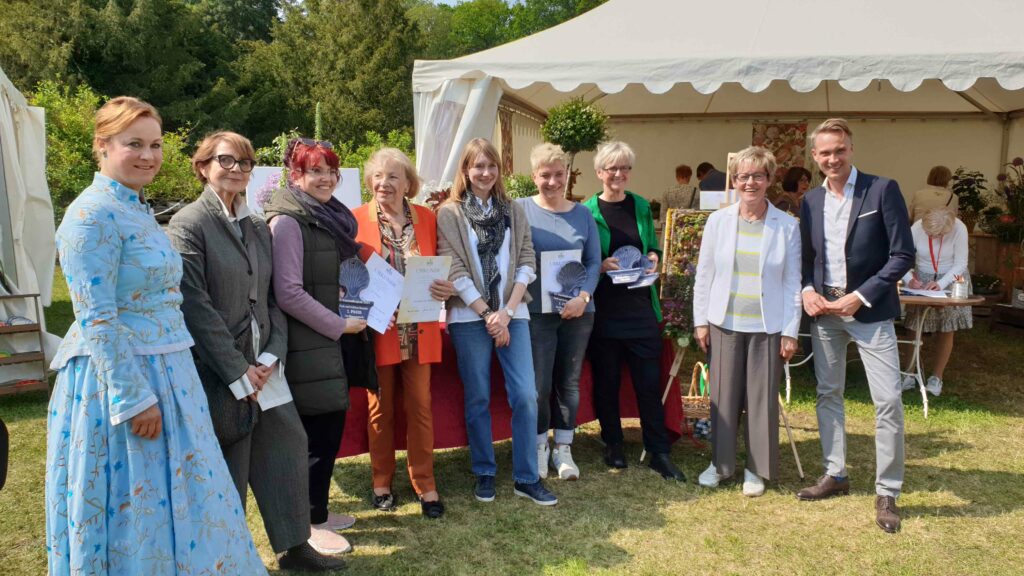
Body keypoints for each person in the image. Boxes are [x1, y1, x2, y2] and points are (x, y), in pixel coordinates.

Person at [46, 97, 266, 574]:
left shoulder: (136, 209)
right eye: (134, 144)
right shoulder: (90, 216)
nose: (148, 155)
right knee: (137, 508)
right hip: (124, 383)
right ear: (101, 147)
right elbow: (97, 317)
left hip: (170, 372)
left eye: (156, 144)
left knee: (187, 497)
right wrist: (131, 398)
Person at [167, 131, 344, 571]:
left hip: (264, 364)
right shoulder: (189, 223)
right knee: (232, 462)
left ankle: (295, 545)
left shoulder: (255, 224)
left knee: (288, 444)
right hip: (219, 369)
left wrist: (268, 358)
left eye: (246, 163)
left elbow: (271, 300)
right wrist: (236, 370)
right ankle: (227, 556)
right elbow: (195, 305)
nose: (238, 170)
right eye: (227, 160)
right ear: (203, 165)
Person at [797, 118, 915, 533]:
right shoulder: (810, 200)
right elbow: (807, 257)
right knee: (828, 393)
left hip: (869, 311)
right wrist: (807, 290)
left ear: (851, 149)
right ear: (814, 157)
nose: (833, 158)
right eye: (825, 152)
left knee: (887, 402)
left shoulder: (882, 190)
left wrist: (861, 295)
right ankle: (836, 473)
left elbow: (902, 255)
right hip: (824, 312)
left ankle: (888, 492)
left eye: (839, 150)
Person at [436, 137, 558, 506]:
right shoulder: (449, 213)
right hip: (468, 316)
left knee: (526, 394)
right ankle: (485, 471)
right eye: (478, 166)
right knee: (478, 397)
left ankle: (526, 476)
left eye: (491, 165)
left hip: (514, 313)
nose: (485, 172)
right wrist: (487, 314)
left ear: (498, 170)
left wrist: (506, 312)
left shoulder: (513, 210)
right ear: (466, 171)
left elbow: (525, 259)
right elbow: (454, 268)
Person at [264, 138, 369, 555]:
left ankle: (319, 513)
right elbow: (288, 292)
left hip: (329, 342)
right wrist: (339, 324)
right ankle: (308, 524)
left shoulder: (328, 216)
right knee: (313, 437)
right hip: (310, 344)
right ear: (296, 175)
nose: (325, 178)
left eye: (330, 171)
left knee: (329, 431)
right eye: (315, 171)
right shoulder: (289, 221)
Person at [692, 146, 801, 497]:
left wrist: (790, 330)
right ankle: (721, 465)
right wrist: (701, 321)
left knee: (761, 399)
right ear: (734, 180)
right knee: (723, 398)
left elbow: (791, 281)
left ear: (769, 179)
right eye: (743, 176)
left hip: (767, 326)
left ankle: (757, 469)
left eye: (757, 175)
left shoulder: (786, 226)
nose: (749, 182)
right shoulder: (717, 221)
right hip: (724, 321)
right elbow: (704, 274)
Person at [353, 148, 455, 518]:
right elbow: (348, 277)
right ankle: (381, 481)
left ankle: (425, 484)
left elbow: (443, 264)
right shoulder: (355, 220)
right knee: (380, 410)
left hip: (420, 327)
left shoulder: (428, 218)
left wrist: (447, 286)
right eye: (378, 176)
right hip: (379, 329)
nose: (384, 183)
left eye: (394, 176)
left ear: (408, 183)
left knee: (421, 408)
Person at [582, 141, 685, 482]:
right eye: (611, 168)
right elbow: (580, 258)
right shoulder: (587, 211)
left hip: (641, 308)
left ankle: (658, 450)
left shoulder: (641, 205)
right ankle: (613, 443)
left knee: (647, 383)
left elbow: (651, 245)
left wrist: (654, 257)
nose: (618, 174)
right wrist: (601, 265)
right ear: (599, 173)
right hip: (604, 310)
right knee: (607, 383)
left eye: (624, 167)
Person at [517, 143, 601, 481]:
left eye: (559, 174)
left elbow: (594, 261)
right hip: (536, 311)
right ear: (534, 176)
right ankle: (539, 447)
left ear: (568, 175)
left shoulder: (583, 214)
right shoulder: (519, 209)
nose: (552, 181)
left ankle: (563, 448)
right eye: (545, 175)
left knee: (568, 381)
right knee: (538, 384)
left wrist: (583, 296)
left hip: (579, 311)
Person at [901, 207, 971, 396]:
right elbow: (901, 257)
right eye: (930, 234)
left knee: (947, 328)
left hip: (951, 277)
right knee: (914, 325)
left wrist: (941, 284)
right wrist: (910, 280)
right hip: (922, 277)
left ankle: (936, 377)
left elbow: (960, 263)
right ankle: (908, 373)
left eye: (939, 235)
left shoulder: (960, 229)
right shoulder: (916, 228)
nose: (933, 238)